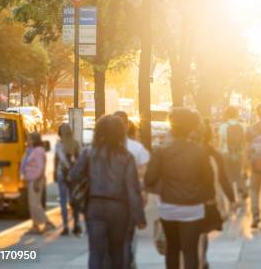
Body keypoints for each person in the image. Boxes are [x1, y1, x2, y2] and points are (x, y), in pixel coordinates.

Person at [71, 115, 146, 269]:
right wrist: (139, 217)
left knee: (96, 252)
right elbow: (133, 189)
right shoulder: (126, 157)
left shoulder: (89, 153)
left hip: (95, 206)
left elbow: (74, 176)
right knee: (117, 251)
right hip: (119, 208)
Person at [144, 107, 214, 269]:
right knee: (190, 251)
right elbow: (209, 181)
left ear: (172, 128)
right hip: (193, 207)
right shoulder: (199, 152)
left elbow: (149, 179)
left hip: (169, 206)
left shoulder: (161, 151)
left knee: (172, 249)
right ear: (191, 128)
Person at [197, 117, 236, 269]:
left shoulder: (188, 152)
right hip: (208, 198)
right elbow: (223, 179)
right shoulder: (214, 154)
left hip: (190, 198)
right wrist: (231, 198)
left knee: (194, 233)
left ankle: (198, 259)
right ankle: (202, 259)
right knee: (203, 232)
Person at [114, 110, 150, 269]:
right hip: (130, 197)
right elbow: (144, 173)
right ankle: (128, 261)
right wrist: (144, 192)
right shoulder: (136, 147)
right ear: (127, 125)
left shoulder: (100, 147)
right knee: (129, 233)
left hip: (109, 198)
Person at [21, 132, 55, 234]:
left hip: (36, 180)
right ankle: (35, 226)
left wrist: (36, 181)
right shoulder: (32, 151)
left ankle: (47, 223)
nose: (28, 141)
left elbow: (40, 168)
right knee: (32, 204)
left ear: (35, 140)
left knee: (35, 204)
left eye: (30, 139)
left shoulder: (38, 151)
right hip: (31, 179)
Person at [54, 123, 81, 236]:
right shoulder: (75, 144)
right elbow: (80, 160)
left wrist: (55, 174)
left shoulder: (59, 145)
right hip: (73, 175)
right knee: (74, 201)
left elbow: (56, 160)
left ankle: (65, 227)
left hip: (62, 174)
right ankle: (76, 225)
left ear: (60, 133)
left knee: (63, 202)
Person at [217, 106, 247, 201]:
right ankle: (242, 190)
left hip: (226, 153)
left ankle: (232, 198)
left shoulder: (223, 127)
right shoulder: (242, 126)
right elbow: (245, 142)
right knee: (238, 173)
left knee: (228, 175)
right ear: (237, 114)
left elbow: (221, 142)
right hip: (239, 153)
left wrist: (219, 151)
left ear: (226, 115)